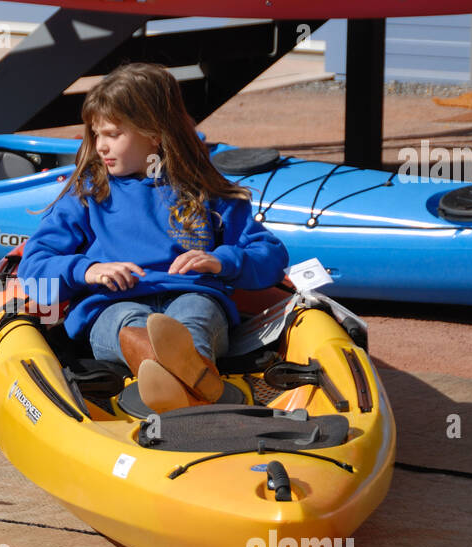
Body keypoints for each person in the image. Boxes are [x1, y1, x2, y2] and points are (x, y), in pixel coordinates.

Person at [19, 62, 289, 413]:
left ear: (155, 134)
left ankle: (177, 379)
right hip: (112, 307)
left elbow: (270, 255)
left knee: (194, 312)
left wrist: (224, 260)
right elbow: (34, 268)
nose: (100, 146)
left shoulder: (204, 192)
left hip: (192, 297)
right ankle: (190, 383)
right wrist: (87, 270)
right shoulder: (88, 195)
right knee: (128, 321)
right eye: (96, 134)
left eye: (113, 134)